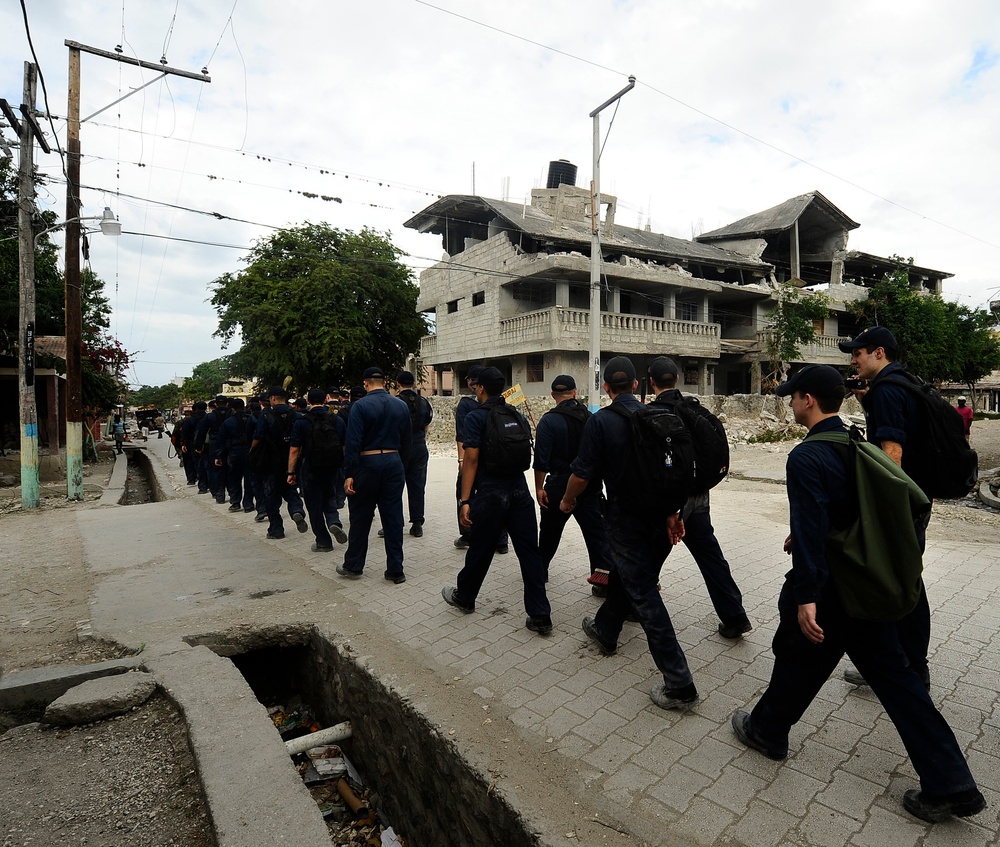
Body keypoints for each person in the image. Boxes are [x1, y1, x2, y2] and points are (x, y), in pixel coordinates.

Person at [731, 364, 985, 824]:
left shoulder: (806, 456)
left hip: (834, 587)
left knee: (797, 646)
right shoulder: (856, 442)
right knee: (896, 679)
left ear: (809, 400)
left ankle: (767, 731)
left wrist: (806, 593)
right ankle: (952, 784)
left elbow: (811, 530)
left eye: (793, 396)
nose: (789, 403)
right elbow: (854, 507)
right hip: (866, 584)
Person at [561, 356, 698, 710]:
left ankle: (679, 683)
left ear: (606, 388)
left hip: (626, 519)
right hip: (660, 516)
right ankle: (606, 629)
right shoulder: (658, 418)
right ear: (636, 386)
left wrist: (567, 500)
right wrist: (672, 513)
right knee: (631, 574)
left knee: (645, 593)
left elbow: (582, 474)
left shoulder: (601, 422)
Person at [838, 327, 931, 688]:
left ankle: (908, 669)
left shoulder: (890, 389)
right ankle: (899, 664)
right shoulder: (904, 381)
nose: (853, 360)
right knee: (903, 580)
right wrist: (866, 401)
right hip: (916, 498)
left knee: (899, 583)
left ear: (878, 352)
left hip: (901, 505)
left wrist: (878, 510)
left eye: (857, 353)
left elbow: (892, 453)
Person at [647, 357, 752, 639]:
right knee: (711, 558)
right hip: (699, 498)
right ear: (677, 380)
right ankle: (735, 616)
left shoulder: (653, 415)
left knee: (647, 559)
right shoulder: (694, 409)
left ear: (651, 382)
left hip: (670, 504)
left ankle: (623, 613)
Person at [441, 367, 552, 635]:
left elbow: (471, 460)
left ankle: (465, 597)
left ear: (480, 388)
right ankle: (540, 616)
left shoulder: (475, 416)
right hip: (519, 489)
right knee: (529, 552)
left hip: (491, 491)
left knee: (480, 547)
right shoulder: (516, 413)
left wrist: (465, 500)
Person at [533, 374, 612, 593]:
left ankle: (541, 571)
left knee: (549, 531)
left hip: (559, 484)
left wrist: (539, 488)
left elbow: (541, 461)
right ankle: (601, 581)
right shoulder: (590, 417)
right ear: (575, 393)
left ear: (552, 395)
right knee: (596, 535)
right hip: (589, 484)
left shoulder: (548, 421)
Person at [337, 367, 412, 583]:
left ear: (366, 383)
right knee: (393, 516)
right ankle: (396, 570)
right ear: (385, 382)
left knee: (360, 516)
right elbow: (407, 441)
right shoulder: (400, 405)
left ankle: (353, 565)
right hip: (393, 461)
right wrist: (401, 466)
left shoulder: (359, 407)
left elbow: (353, 442)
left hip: (366, 462)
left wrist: (349, 473)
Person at [454, 366, 509, 554]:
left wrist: (462, 462)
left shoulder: (467, 406)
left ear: (476, 384)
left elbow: (462, 437)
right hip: (501, 464)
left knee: (466, 494)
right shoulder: (507, 408)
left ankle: (468, 533)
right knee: (500, 500)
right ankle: (502, 541)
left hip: (476, 462)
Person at [289, 388, 348, 552]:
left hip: (310, 467)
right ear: (326, 399)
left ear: (308, 401)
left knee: (314, 505)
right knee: (330, 496)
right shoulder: (336, 420)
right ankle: (334, 522)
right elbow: (344, 446)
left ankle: (323, 541)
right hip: (332, 466)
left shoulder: (301, 422)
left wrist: (291, 472)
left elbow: (294, 450)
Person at [252, 386, 308, 540]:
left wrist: (253, 451)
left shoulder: (265, 415)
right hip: (292, 459)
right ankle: (297, 510)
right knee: (291, 487)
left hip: (271, 460)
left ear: (273, 399)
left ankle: (276, 529)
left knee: (271, 494)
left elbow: (258, 436)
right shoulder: (296, 415)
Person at [395, 371, 433, 536]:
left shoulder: (394, 403)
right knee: (417, 486)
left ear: (398, 384)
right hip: (418, 446)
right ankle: (417, 523)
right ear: (414, 384)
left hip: (398, 448)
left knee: (394, 486)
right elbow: (427, 423)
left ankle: (394, 523)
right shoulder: (423, 402)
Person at [214, 397, 255, 513]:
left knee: (234, 478)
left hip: (234, 453)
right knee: (249, 478)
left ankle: (235, 502)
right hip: (249, 451)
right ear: (244, 407)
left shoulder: (228, 422)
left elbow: (221, 440)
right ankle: (248, 503)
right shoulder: (251, 419)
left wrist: (218, 455)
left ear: (232, 409)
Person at [180, 402, 205, 487]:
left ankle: (192, 479)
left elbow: (184, 433)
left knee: (190, 462)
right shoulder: (208, 418)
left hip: (191, 443)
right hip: (206, 444)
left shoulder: (189, 421)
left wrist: (183, 444)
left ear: (195, 410)